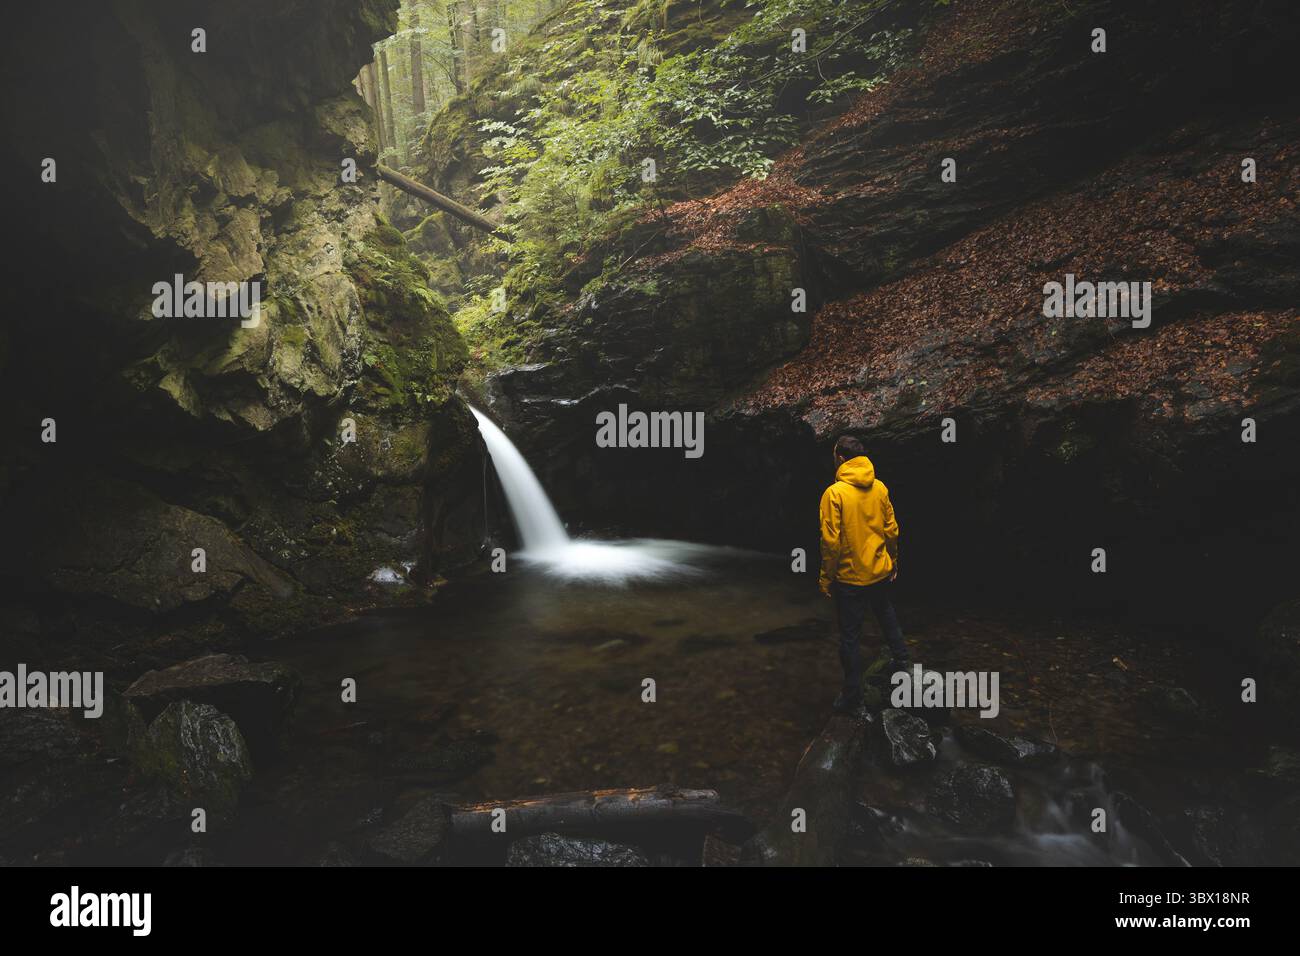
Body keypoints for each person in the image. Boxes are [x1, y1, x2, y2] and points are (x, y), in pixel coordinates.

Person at [818, 434, 909, 711]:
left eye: (835, 455)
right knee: (885, 613)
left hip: (850, 577)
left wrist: (826, 576)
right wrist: (892, 560)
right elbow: (891, 529)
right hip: (879, 571)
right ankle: (902, 660)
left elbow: (830, 541)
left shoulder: (834, 494)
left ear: (841, 458)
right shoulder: (879, 487)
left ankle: (852, 696)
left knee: (850, 637)